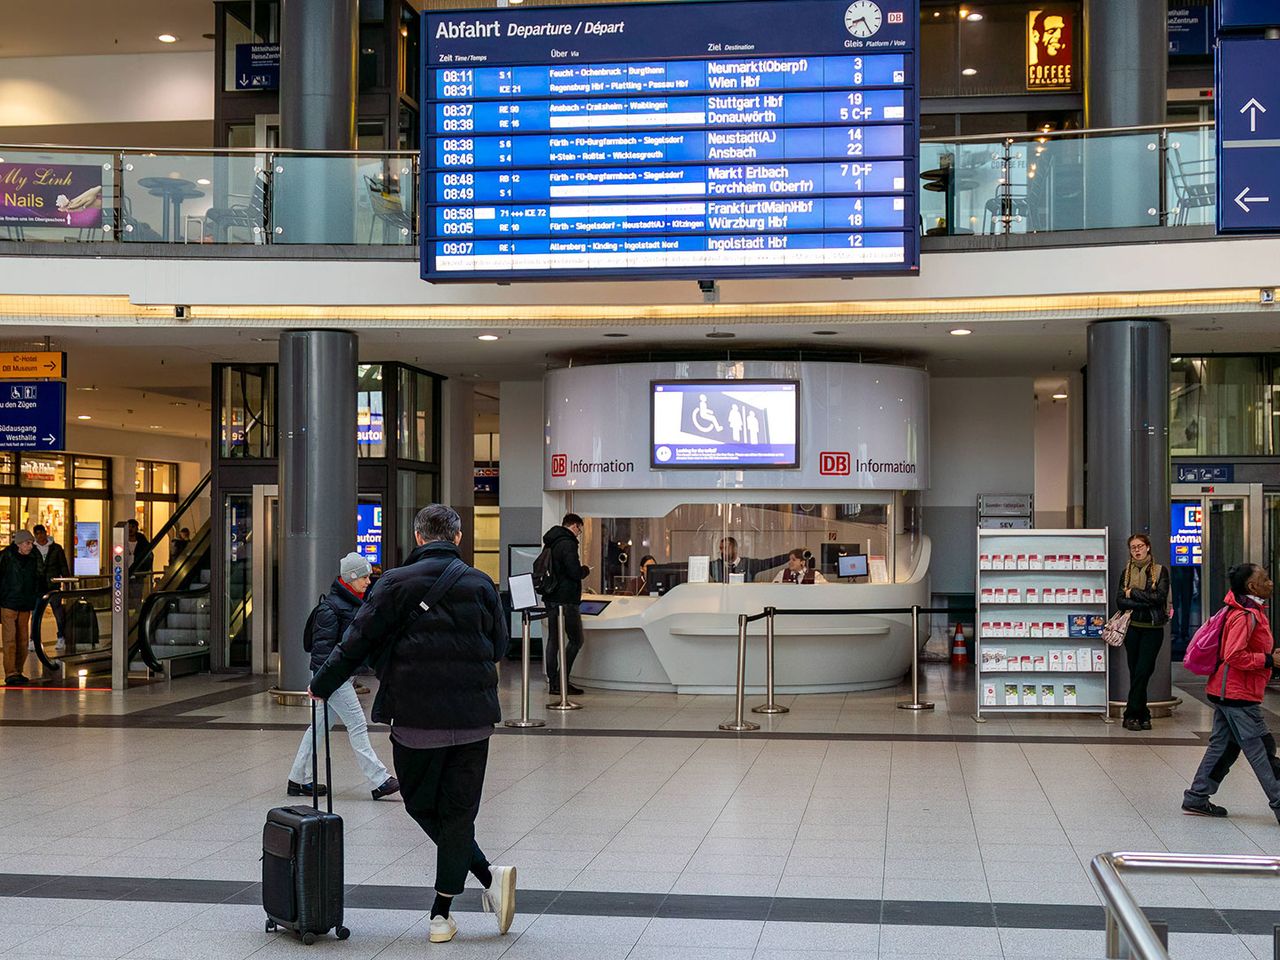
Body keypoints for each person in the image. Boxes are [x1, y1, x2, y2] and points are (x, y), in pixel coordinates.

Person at [310, 504, 516, 944]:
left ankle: (458, 901)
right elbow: (499, 644)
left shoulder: (392, 584)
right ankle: (458, 901)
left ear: (419, 538)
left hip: (416, 718)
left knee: (423, 806)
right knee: (459, 814)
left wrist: (323, 683)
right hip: (474, 720)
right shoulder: (480, 583)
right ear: (457, 537)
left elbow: (356, 640)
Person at [286, 552, 399, 802]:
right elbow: (323, 653)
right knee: (357, 725)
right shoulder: (331, 609)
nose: (368, 581)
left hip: (338, 677)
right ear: (350, 578)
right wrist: (322, 683)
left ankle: (298, 778)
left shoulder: (353, 603)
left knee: (317, 728)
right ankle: (379, 780)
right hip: (333, 678)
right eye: (364, 577)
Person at [1182, 563, 1280, 820]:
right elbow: (1234, 655)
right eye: (1265, 578)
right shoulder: (1245, 615)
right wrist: (1269, 660)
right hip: (1237, 693)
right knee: (1261, 748)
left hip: (1226, 690)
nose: (1270, 582)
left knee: (1224, 746)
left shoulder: (1247, 610)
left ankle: (1196, 797)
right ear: (1252, 586)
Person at [1116, 533, 1170, 731]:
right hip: (1132, 629)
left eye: (1140, 546)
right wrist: (1144, 598)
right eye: (1133, 547)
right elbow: (1120, 601)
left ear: (1148, 547)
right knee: (1135, 671)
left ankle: (1130, 714)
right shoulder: (1126, 573)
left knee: (1144, 671)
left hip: (1153, 629)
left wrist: (1134, 594)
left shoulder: (1159, 571)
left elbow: (1159, 598)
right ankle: (1143, 714)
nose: (1137, 550)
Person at [541, 512, 590, 696]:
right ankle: (562, 681)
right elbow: (574, 572)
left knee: (553, 639)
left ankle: (553, 682)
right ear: (575, 526)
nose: (579, 534)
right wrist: (585, 570)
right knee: (576, 639)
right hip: (566, 599)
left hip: (550, 596)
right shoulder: (568, 543)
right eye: (580, 530)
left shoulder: (551, 541)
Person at [1, 530, 40, 686]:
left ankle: (18, 670)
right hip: (8, 603)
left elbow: (39, 576)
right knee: (10, 638)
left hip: (25, 603)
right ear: (18, 544)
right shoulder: (5, 556)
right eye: (27, 543)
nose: (30, 546)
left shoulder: (33, 557)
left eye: (31, 543)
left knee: (23, 639)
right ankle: (10, 672)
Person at [31, 525, 70, 651]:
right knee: (36, 613)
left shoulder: (56, 548)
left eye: (41, 533)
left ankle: (61, 637)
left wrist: (67, 579)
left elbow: (63, 565)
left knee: (58, 612)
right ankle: (33, 639)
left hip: (53, 584)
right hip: (37, 585)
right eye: (37, 533)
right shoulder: (32, 548)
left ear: (45, 533)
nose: (40, 536)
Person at [709, 537, 790, 584]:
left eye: (726, 548)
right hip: (722, 604)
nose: (722, 551)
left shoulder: (749, 564)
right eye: (721, 548)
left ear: (735, 549)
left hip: (745, 604)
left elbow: (770, 562)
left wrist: (790, 556)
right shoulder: (714, 566)